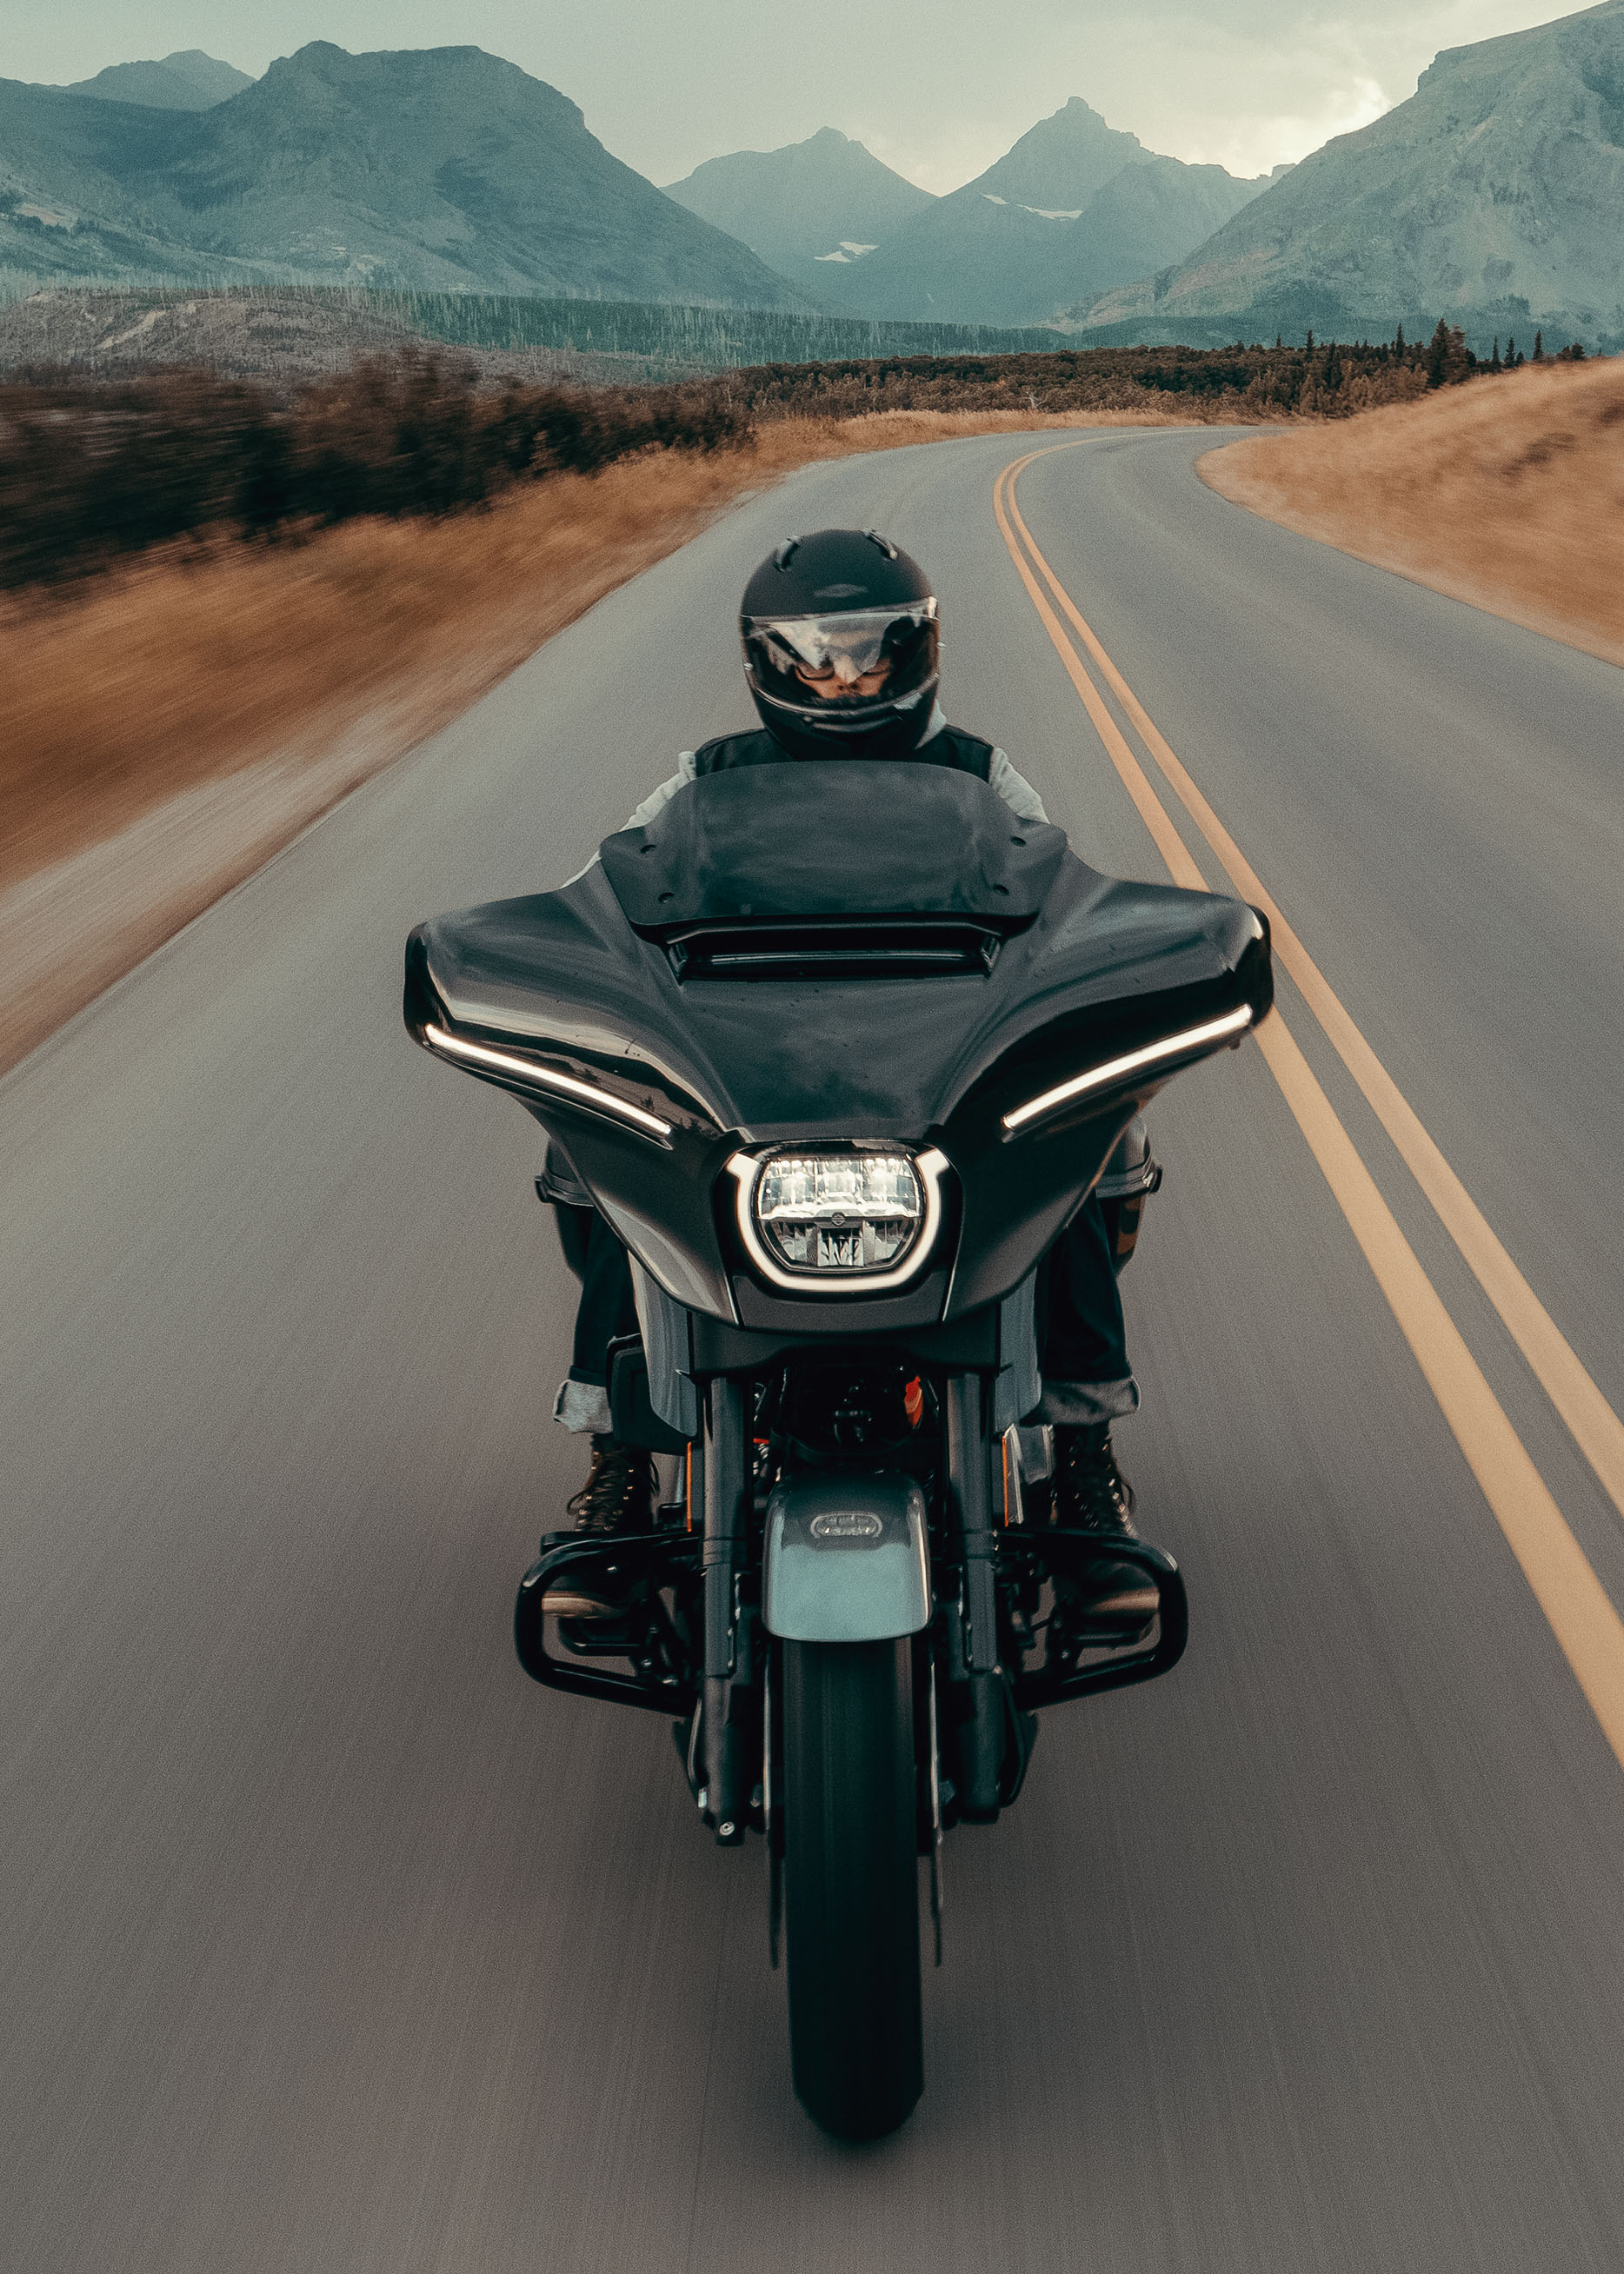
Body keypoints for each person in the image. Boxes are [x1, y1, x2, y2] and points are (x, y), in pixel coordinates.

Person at [549, 529, 1150, 1625]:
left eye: (871, 651)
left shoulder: (982, 775)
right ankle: (620, 1466)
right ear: (766, 661)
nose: (844, 678)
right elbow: (598, 897)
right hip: (754, 1083)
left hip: (935, 1081)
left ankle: (1081, 1459)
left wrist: (1103, 963)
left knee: (1072, 1139)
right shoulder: (700, 783)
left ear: (917, 651)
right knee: (607, 1145)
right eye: (816, 656)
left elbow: (1062, 898)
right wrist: (567, 961)